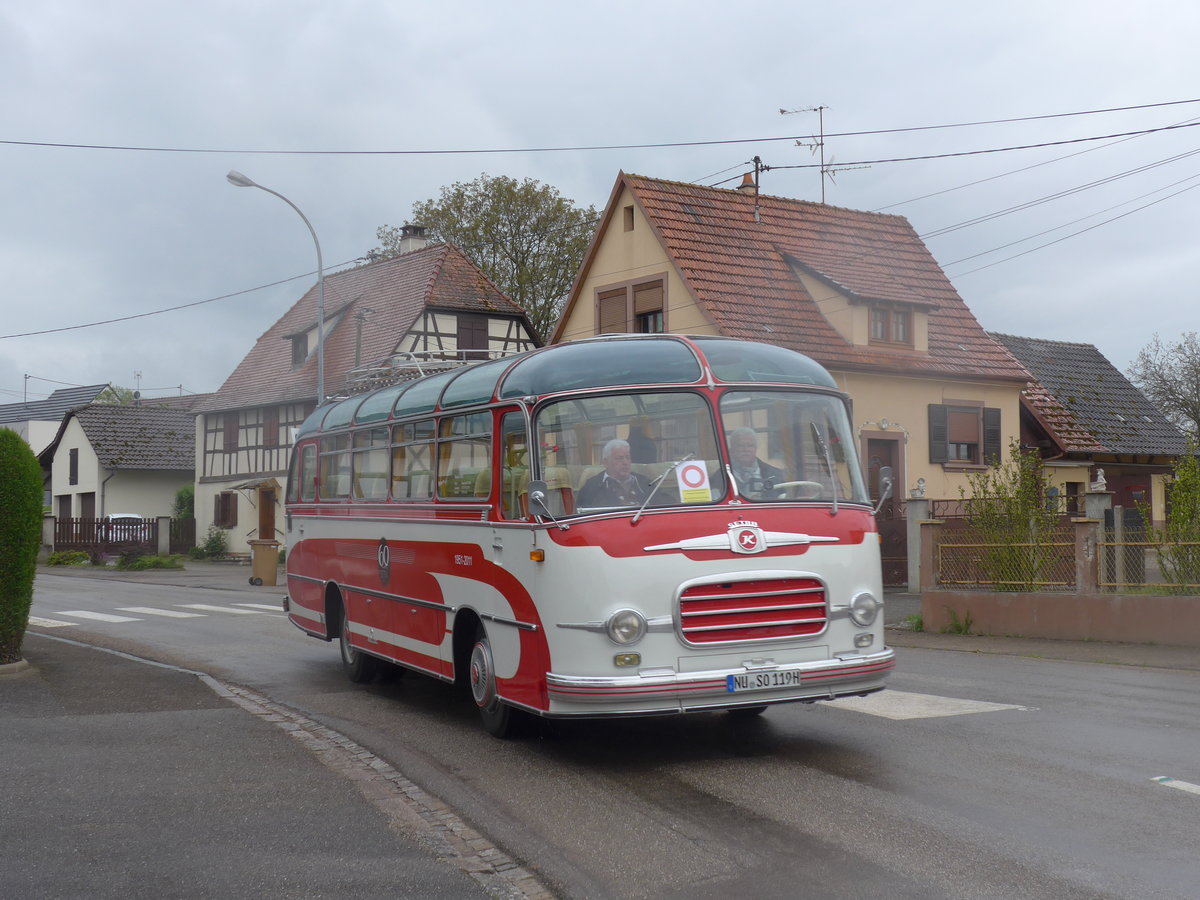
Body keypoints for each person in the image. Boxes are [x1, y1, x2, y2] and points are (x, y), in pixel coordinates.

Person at [576, 439, 653, 507]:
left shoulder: (645, 483)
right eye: (619, 458)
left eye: (628, 458)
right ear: (606, 462)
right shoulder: (591, 487)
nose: (625, 462)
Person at [728, 427, 785, 499]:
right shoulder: (722, 476)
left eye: (750, 446)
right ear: (731, 449)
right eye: (740, 445)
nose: (746, 449)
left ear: (756, 449)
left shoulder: (775, 475)